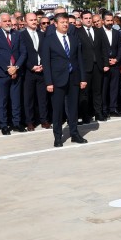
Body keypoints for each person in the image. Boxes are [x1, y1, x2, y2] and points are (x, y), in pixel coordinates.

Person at [41, 12, 88, 148]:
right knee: (57, 110)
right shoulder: (49, 40)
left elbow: (79, 59)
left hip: (73, 78)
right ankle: (57, 137)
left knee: (73, 109)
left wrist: (82, 78)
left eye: (66, 22)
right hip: (57, 80)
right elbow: (46, 63)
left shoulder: (73, 38)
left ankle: (74, 133)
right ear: (55, 24)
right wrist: (49, 82)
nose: (65, 24)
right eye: (62, 22)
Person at [0, 12, 26, 134]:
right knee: (2, 100)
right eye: (5, 21)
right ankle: (4, 125)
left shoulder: (17, 34)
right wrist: (8, 68)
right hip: (3, 73)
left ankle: (16, 123)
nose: (8, 23)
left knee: (16, 100)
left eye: (9, 21)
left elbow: (23, 52)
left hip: (16, 71)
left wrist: (16, 67)